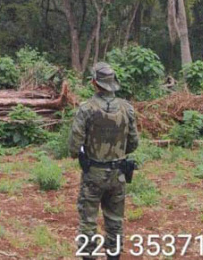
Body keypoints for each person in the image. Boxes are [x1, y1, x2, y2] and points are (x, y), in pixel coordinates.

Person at [68, 62, 139, 259]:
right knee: (115, 222)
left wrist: (88, 152)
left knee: (88, 222)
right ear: (113, 83)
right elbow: (133, 143)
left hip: (93, 173)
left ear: (94, 83)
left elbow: (74, 147)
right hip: (119, 174)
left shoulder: (86, 109)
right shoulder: (127, 109)